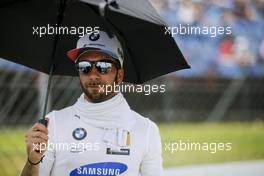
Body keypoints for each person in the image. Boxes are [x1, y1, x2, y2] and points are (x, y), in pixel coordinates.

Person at [21, 30, 163, 176]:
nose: (93, 75)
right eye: (84, 67)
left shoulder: (146, 130)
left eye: (103, 66)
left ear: (119, 75)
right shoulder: (53, 123)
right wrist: (33, 161)